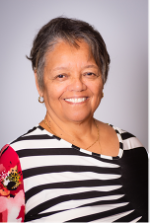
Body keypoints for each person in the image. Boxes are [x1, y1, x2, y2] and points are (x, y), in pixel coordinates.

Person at [0, 17, 149, 223]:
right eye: (62, 75)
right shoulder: (13, 162)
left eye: (89, 73)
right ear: (39, 81)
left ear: (103, 77)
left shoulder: (132, 145)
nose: (78, 86)